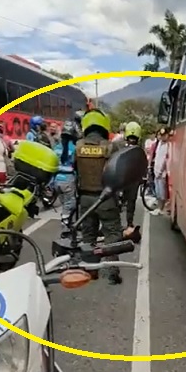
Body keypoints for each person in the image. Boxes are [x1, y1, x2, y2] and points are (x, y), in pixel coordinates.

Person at [74, 108, 124, 285]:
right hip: (107, 198)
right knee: (112, 234)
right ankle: (112, 272)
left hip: (85, 198)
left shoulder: (78, 147)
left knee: (88, 235)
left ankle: (90, 270)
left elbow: (74, 172)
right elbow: (120, 171)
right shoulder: (111, 147)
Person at [53, 120, 79, 233]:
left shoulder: (56, 148)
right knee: (70, 205)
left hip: (57, 180)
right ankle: (65, 227)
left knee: (64, 205)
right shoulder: (74, 148)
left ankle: (66, 223)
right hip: (68, 180)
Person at [120, 121, 145, 231]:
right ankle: (129, 223)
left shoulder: (122, 149)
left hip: (123, 180)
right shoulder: (139, 151)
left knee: (120, 203)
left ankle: (122, 224)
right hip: (133, 181)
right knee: (130, 203)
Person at [151, 127, 171, 215]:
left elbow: (164, 160)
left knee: (162, 192)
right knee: (158, 191)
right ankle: (159, 208)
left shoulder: (167, 145)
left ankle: (161, 208)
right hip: (156, 170)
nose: (162, 137)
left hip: (161, 172)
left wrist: (160, 171)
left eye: (164, 135)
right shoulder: (159, 144)